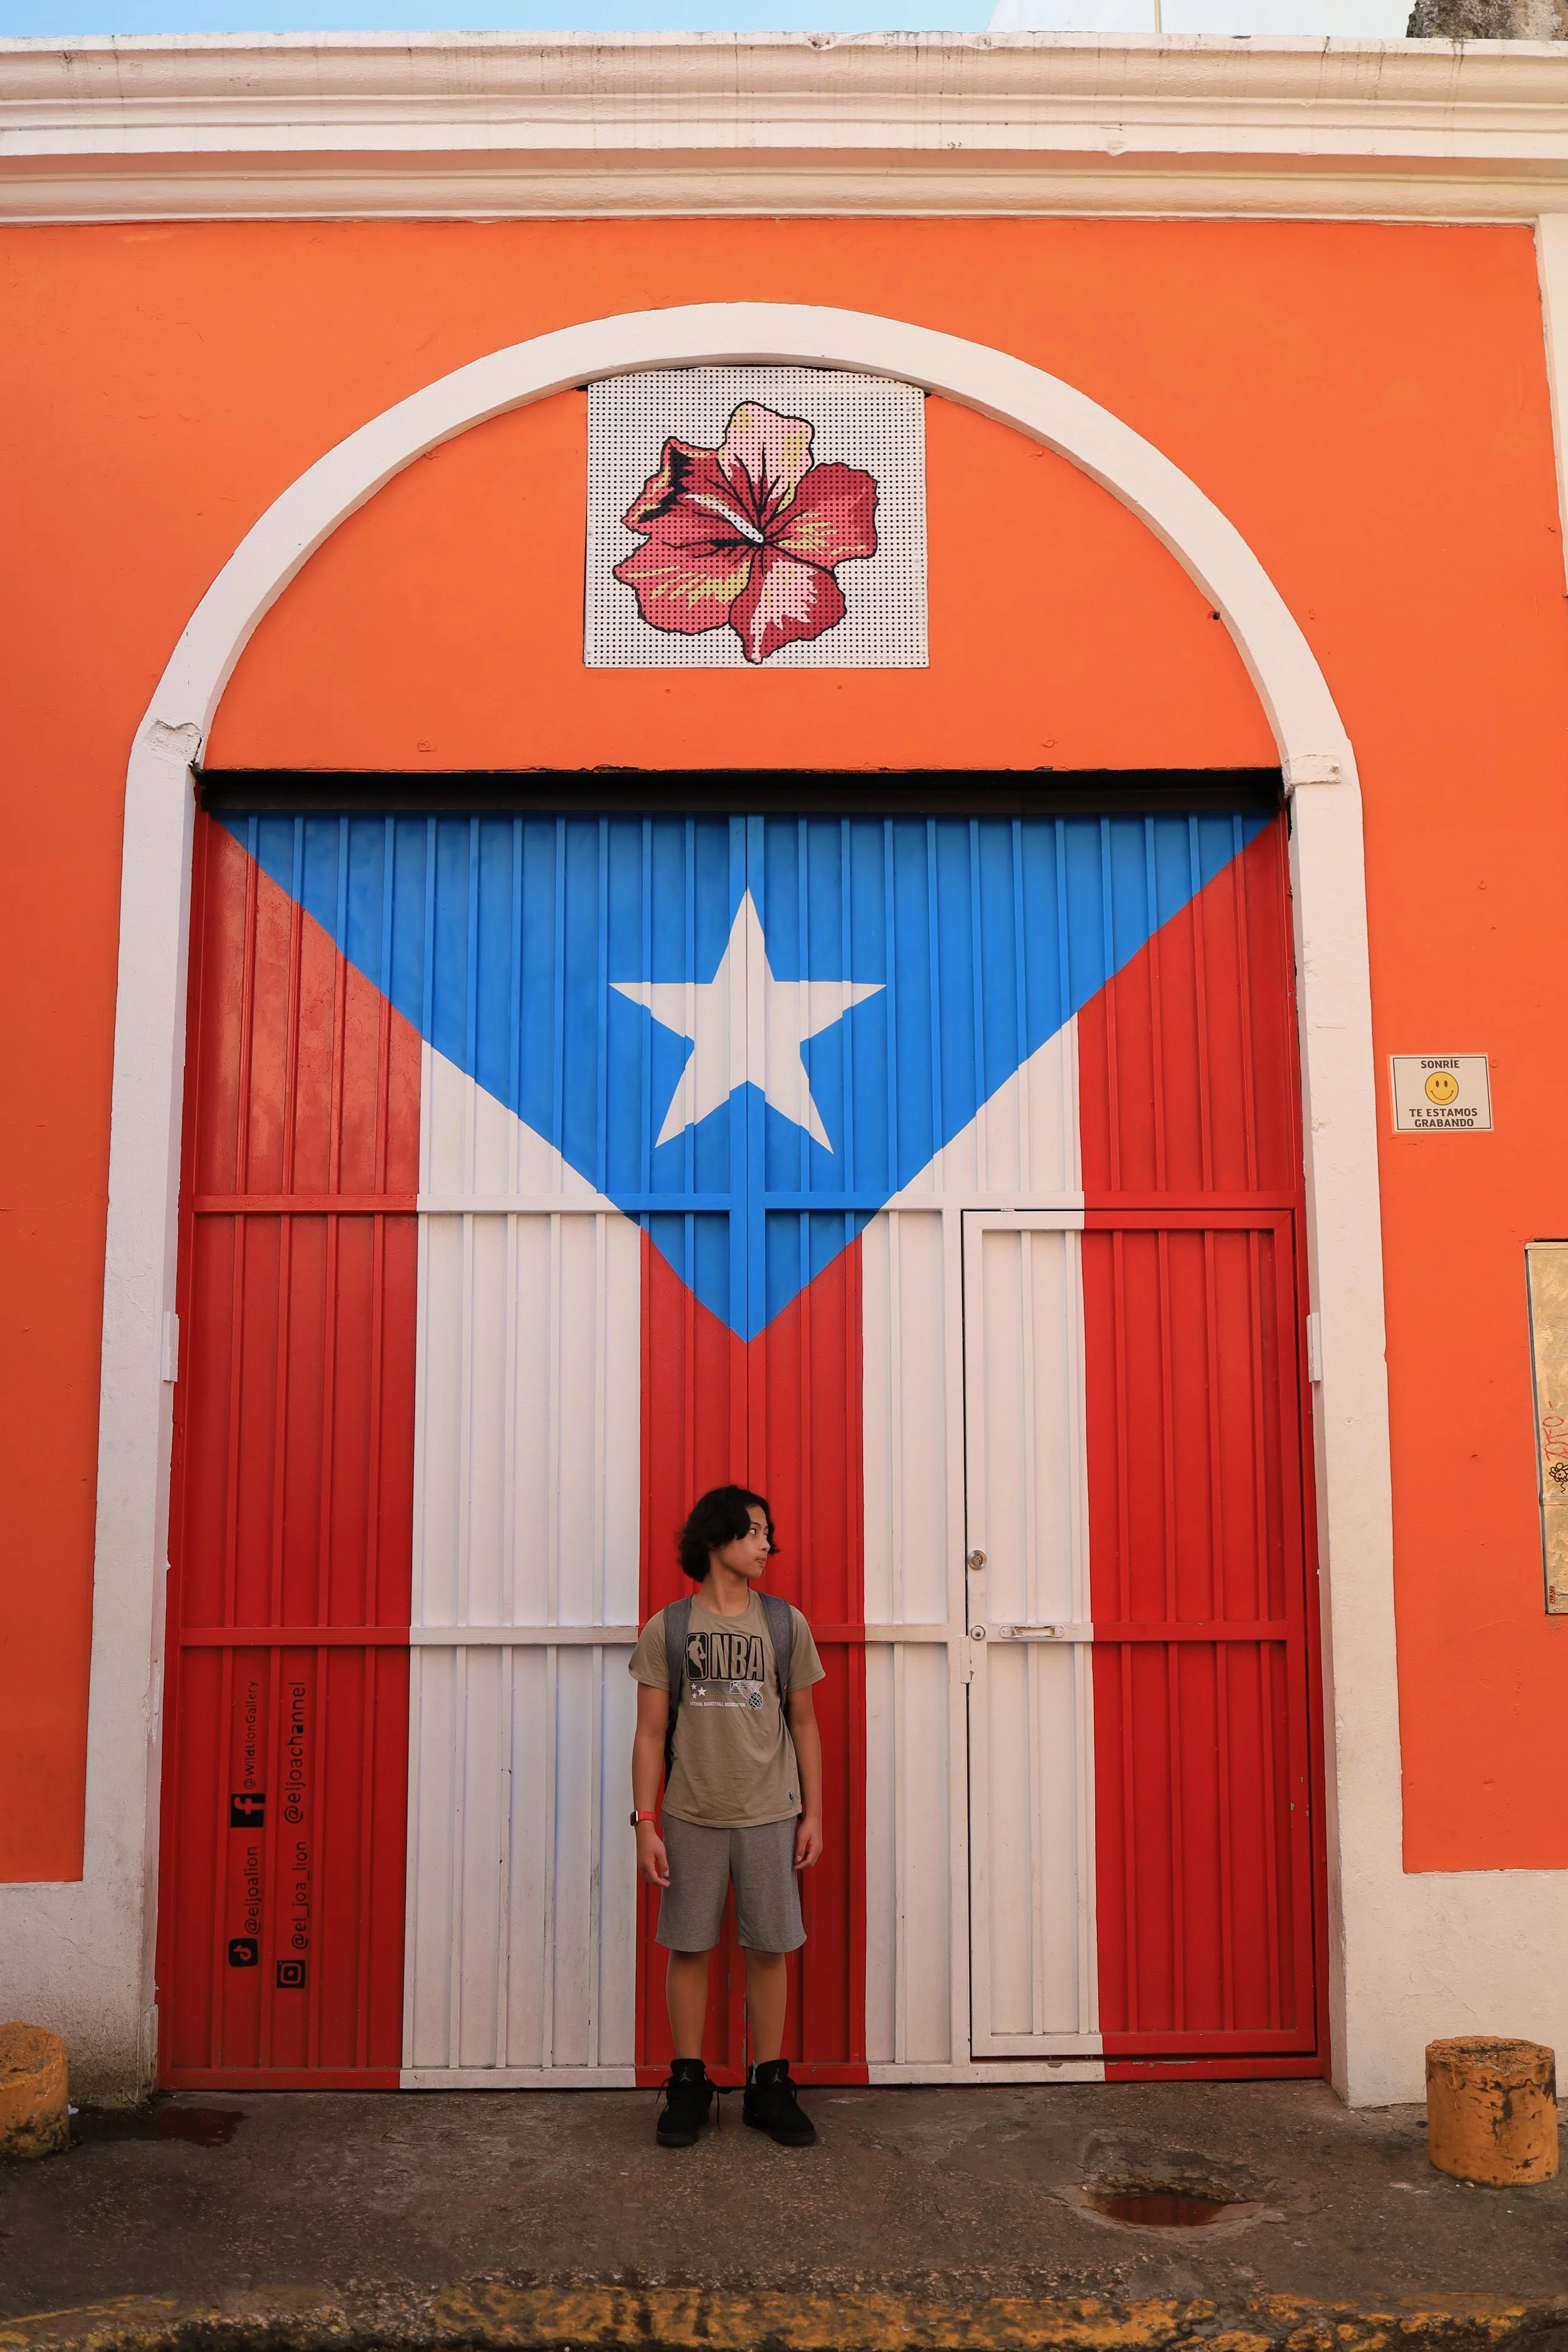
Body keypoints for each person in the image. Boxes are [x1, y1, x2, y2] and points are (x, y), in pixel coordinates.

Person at [628, 1484, 825, 2149]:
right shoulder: (670, 1628)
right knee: (689, 1947)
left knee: (770, 1947)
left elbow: (804, 1722)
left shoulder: (782, 1623)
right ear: (716, 1539)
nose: (767, 1543)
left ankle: (768, 2087)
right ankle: (689, 2083)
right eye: (753, 1531)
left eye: (770, 1532)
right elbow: (650, 1734)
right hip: (690, 1815)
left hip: (770, 1813)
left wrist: (812, 1814)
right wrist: (646, 1822)